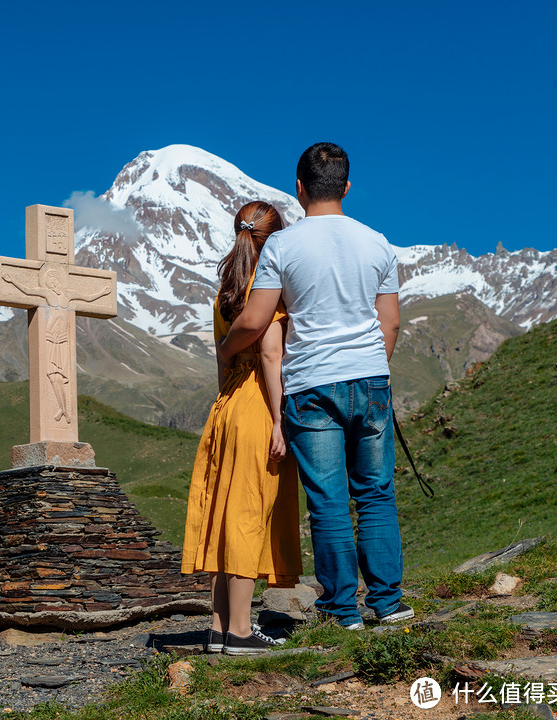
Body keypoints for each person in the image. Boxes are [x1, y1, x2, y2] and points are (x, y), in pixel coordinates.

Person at [217, 142, 409, 630]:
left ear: (299, 188)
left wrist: (225, 348)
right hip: (370, 379)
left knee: (327, 501)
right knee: (376, 494)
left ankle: (343, 610)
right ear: (346, 187)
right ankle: (388, 603)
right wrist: (369, 367)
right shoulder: (378, 242)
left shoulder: (284, 245)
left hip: (312, 385)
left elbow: (257, 320)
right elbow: (390, 325)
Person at [182, 201, 303, 656]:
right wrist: (278, 419)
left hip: (227, 403)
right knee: (248, 512)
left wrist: (223, 402)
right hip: (256, 403)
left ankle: (216, 628)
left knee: (223, 510)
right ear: (274, 238)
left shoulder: (224, 292)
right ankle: (240, 631)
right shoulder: (264, 287)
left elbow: (222, 357)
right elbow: (272, 355)